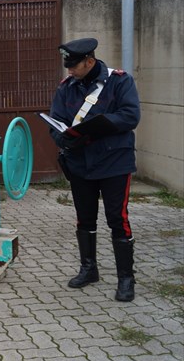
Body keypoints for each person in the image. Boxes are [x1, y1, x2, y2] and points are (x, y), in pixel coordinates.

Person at [48, 37, 141, 302]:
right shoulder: (67, 87)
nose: (70, 71)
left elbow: (130, 116)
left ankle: (126, 279)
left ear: (89, 61)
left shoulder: (120, 81)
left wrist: (94, 126)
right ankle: (89, 269)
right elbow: (56, 119)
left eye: (74, 66)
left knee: (117, 219)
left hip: (114, 162)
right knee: (84, 218)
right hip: (80, 163)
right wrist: (61, 137)